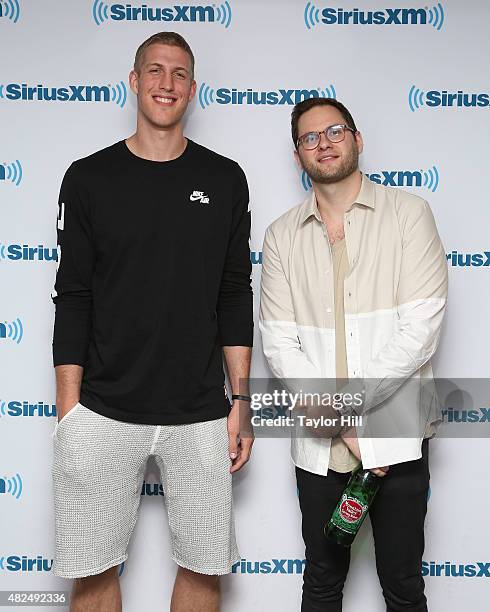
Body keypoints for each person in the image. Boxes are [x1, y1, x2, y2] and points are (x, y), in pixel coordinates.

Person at [51, 31, 254, 612]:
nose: (168, 83)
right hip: (101, 407)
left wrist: (240, 401)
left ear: (193, 88)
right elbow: (73, 295)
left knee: (205, 565)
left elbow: (234, 296)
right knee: (92, 570)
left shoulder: (224, 179)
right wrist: (70, 413)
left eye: (181, 73)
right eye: (156, 71)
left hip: (199, 410)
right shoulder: (89, 178)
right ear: (135, 80)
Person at [259, 97, 448, 612]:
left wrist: (356, 421)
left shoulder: (410, 215)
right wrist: (343, 426)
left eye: (335, 131)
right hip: (322, 442)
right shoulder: (279, 237)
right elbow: (279, 344)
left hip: (398, 435)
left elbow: (420, 330)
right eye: (309, 138)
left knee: (403, 586)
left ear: (358, 139)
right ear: (298, 155)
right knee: (321, 582)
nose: (324, 143)